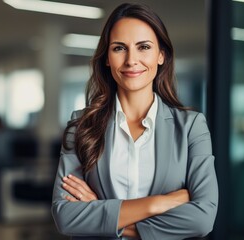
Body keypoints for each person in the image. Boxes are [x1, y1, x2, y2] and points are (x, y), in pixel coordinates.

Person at [51, 3, 218, 240]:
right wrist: (158, 204)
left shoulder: (192, 127)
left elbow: (202, 219)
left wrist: (107, 215)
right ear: (107, 58)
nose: (131, 60)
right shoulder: (81, 126)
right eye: (119, 48)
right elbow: (65, 216)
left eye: (144, 47)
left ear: (161, 55)